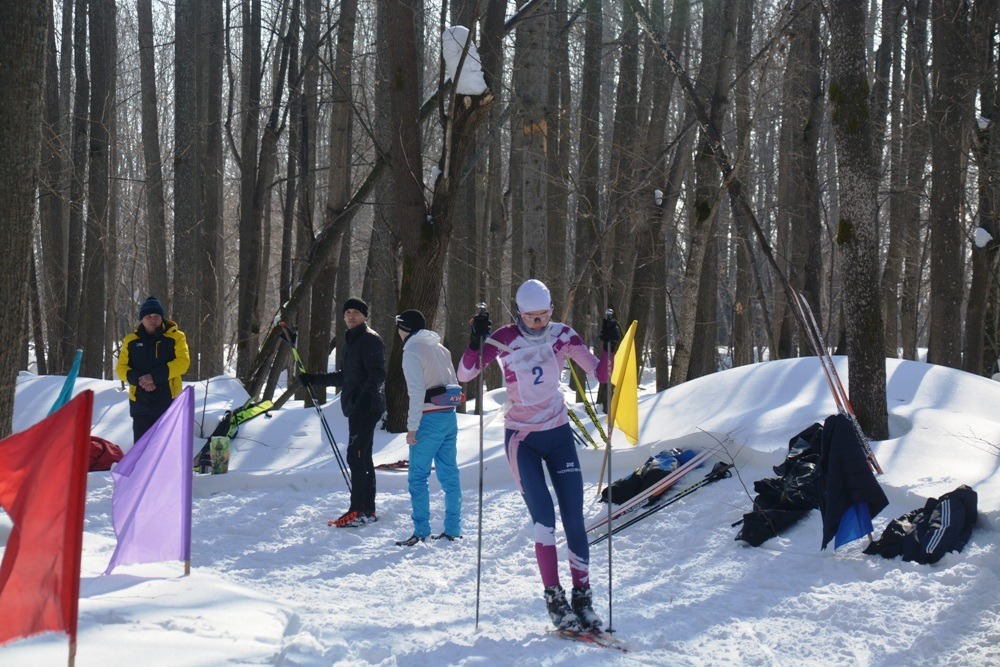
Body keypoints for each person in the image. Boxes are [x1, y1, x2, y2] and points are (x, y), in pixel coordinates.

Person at [456, 279, 616, 633]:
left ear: (552, 311)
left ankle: (582, 596)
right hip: (522, 439)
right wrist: (475, 343)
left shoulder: (563, 335)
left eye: (544, 315)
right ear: (519, 313)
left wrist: (610, 345)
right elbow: (464, 374)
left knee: (574, 517)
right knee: (544, 519)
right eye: (531, 317)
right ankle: (554, 598)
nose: (538, 322)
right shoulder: (504, 338)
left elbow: (603, 374)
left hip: (558, 434)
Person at [299, 297, 386, 528]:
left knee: (356, 456)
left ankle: (357, 511)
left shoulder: (370, 339)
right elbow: (346, 376)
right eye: (347, 312)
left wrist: (364, 397)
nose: (351, 316)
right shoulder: (350, 340)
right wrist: (314, 379)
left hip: (366, 406)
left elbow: (378, 373)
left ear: (364, 315)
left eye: (356, 312)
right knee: (362, 456)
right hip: (356, 406)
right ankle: (367, 509)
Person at [393, 309, 463, 547]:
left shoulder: (412, 351)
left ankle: (422, 531)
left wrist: (412, 427)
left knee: (418, 477)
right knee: (450, 474)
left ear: (404, 328)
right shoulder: (441, 349)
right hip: (449, 417)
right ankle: (453, 529)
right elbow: (453, 383)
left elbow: (416, 392)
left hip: (428, 419)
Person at [116, 295, 191, 444]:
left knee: (164, 446)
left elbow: (183, 362)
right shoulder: (130, 341)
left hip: (168, 399)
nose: (153, 320)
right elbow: (120, 369)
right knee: (141, 447)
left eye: (156, 316)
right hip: (140, 401)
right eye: (148, 316)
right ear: (142, 319)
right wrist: (142, 380)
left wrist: (153, 377)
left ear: (162, 318)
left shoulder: (176, 337)